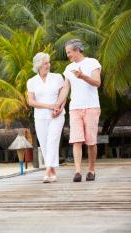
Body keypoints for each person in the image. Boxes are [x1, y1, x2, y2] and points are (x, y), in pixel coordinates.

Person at [56, 39, 101, 182]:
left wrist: (83, 76)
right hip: (75, 108)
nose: (68, 55)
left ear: (77, 50)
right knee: (76, 140)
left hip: (91, 106)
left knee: (91, 142)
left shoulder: (92, 62)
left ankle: (91, 170)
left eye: (69, 52)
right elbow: (66, 88)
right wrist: (58, 104)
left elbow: (97, 82)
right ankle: (77, 172)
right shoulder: (69, 68)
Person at [27, 52, 65, 183]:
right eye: (45, 63)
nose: (48, 65)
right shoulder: (31, 81)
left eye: (49, 62)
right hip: (40, 117)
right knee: (44, 145)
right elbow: (31, 102)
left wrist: (58, 109)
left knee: (52, 142)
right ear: (38, 65)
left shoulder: (57, 77)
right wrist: (49, 106)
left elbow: (63, 96)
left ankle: (48, 170)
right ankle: (53, 173)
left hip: (57, 116)